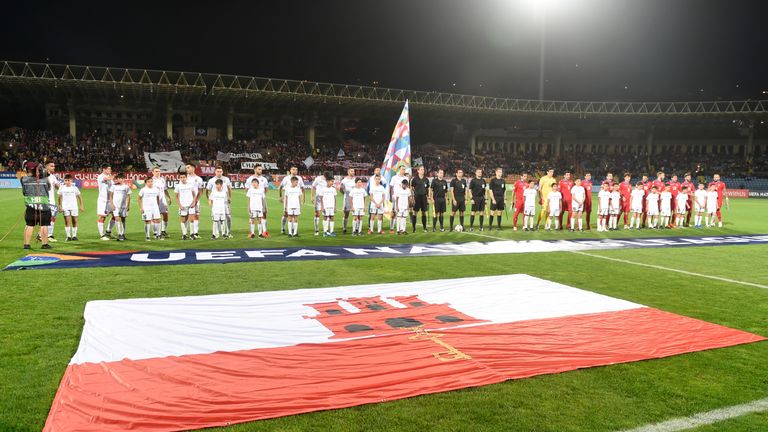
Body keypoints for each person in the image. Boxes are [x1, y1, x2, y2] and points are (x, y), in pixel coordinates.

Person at [21, 162, 52, 249]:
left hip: (31, 206)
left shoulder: (24, 179)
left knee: (29, 225)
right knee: (44, 225)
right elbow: (49, 188)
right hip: (44, 206)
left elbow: (24, 192)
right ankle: (44, 244)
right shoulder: (45, 179)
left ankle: (26, 245)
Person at [205, 167, 233, 238]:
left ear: (222, 172)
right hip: (216, 202)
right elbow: (207, 190)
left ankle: (228, 233)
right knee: (216, 218)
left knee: (228, 217)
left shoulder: (226, 179)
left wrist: (229, 197)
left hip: (225, 201)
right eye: (218, 171)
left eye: (220, 171)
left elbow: (229, 188)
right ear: (215, 172)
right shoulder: (211, 180)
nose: (219, 173)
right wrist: (209, 199)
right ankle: (216, 234)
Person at [57, 174, 83, 241]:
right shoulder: (62, 188)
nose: (67, 182)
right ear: (64, 181)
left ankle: (74, 236)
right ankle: (68, 236)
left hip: (74, 206)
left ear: (71, 180)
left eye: (68, 180)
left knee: (74, 221)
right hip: (65, 207)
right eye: (66, 180)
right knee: (67, 221)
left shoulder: (75, 188)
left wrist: (81, 205)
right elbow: (59, 197)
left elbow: (79, 197)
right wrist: (59, 206)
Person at [278, 166, 302, 234]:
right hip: (288, 199)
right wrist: (280, 196)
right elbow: (280, 187)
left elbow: (302, 188)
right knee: (286, 214)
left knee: (295, 216)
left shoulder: (299, 178)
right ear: (290, 170)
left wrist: (303, 199)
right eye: (293, 169)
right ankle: (283, 228)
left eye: (296, 170)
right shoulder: (286, 178)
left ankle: (293, 230)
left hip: (296, 199)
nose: (295, 171)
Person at [175, 172, 198, 240]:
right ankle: (184, 234)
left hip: (190, 205)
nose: (182, 179)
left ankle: (191, 234)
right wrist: (180, 205)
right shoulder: (178, 186)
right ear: (179, 178)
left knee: (191, 220)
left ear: (186, 178)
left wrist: (193, 203)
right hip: (183, 205)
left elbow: (194, 195)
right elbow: (176, 197)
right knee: (183, 220)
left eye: (184, 177)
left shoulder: (190, 185)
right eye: (181, 177)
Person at [138, 177, 163, 241]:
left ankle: (158, 234)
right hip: (146, 208)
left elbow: (157, 197)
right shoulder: (143, 190)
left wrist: (157, 206)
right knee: (147, 221)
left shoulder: (156, 189)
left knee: (158, 220)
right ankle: (147, 236)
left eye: (151, 181)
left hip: (155, 207)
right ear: (146, 183)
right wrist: (141, 208)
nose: (150, 183)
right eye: (148, 182)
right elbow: (139, 199)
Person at [185, 162, 205, 239]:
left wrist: (196, 200)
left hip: (195, 201)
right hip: (185, 200)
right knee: (185, 216)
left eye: (188, 167)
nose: (187, 169)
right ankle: (186, 233)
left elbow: (200, 191)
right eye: (186, 168)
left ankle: (195, 233)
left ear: (193, 168)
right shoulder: (184, 178)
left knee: (196, 216)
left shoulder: (198, 179)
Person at [110, 173, 132, 241]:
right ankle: (119, 234)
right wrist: (112, 204)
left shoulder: (126, 187)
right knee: (117, 218)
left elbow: (128, 197)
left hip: (123, 206)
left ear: (123, 179)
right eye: (118, 178)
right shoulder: (113, 186)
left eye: (121, 178)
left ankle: (123, 233)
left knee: (123, 219)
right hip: (116, 206)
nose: (119, 180)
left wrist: (128, 206)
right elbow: (110, 195)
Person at [151, 167, 172, 237]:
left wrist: (169, 197)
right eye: (156, 171)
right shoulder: (151, 180)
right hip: (154, 200)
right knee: (154, 217)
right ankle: (155, 232)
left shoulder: (162, 180)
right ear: (152, 172)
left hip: (163, 200)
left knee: (165, 215)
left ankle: (163, 230)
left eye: (159, 171)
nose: (158, 173)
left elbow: (165, 189)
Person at [96, 164, 115, 240]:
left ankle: (108, 231)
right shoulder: (100, 176)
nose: (110, 170)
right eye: (108, 169)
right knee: (102, 217)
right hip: (103, 200)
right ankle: (102, 235)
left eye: (110, 169)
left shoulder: (110, 177)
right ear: (104, 169)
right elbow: (106, 178)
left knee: (115, 215)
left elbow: (113, 185)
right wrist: (114, 177)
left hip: (110, 200)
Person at [388, 165, 409, 233]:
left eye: (404, 169)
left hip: (404, 198)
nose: (404, 170)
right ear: (399, 170)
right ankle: (392, 228)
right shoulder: (394, 177)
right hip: (395, 197)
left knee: (402, 214)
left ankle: (401, 228)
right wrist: (391, 196)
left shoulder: (406, 178)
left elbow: (407, 188)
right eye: (402, 169)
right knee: (394, 213)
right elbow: (391, 187)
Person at [411, 166, 431, 233]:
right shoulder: (415, 179)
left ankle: (424, 228)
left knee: (424, 212)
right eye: (421, 169)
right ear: (418, 171)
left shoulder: (426, 179)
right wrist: (412, 196)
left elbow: (428, 189)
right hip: (417, 197)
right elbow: (411, 188)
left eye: (423, 169)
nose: (423, 171)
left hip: (424, 197)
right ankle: (414, 228)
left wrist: (428, 197)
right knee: (415, 212)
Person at [366, 167, 387, 232]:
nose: (378, 171)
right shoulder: (371, 178)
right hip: (373, 201)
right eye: (377, 170)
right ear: (374, 171)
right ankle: (370, 228)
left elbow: (385, 187)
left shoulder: (383, 179)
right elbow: (368, 188)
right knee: (371, 215)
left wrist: (380, 203)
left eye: (379, 170)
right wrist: (372, 199)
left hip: (380, 201)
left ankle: (380, 229)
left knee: (380, 216)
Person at [45, 161, 60, 242]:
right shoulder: (42, 176)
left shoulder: (53, 177)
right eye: (51, 166)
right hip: (45, 201)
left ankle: (43, 235)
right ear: (46, 166)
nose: (53, 167)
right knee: (48, 218)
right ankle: (48, 235)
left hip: (52, 201)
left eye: (54, 166)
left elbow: (58, 187)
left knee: (52, 218)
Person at [339, 168, 357, 234]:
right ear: (348, 172)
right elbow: (341, 189)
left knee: (355, 213)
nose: (353, 172)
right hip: (347, 198)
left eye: (353, 171)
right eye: (352, 171)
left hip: (355, 198)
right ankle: (344, 228)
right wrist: (345, 194)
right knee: (346, 213)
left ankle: (355, 229)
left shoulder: (356, 180)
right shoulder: (344, 180)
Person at [310, 171, 327, 236]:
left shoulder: (329, 179)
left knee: (325, 215)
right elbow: (313, 186)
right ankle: (316, 230)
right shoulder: (318, 178)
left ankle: (325, 231)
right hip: (318, 199)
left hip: (326, 199)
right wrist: (312, 196)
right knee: (317, 214)